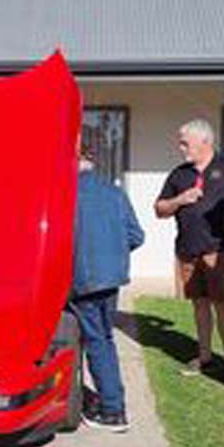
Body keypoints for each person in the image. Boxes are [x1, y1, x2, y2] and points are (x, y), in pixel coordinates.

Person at [154, 118, 224, 380]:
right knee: (199, 305)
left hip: (217, 249)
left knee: (223, 305)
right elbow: (159, 209)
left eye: (185, 143)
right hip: (187, 249)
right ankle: (205, 357)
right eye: (180, 143)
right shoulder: (179, 174)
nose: (181, 148)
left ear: (205, 142)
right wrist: (180, 199)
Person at [70, 152, 145, 432]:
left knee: (92, 342)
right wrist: (111, 253)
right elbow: (136, 236)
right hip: (111, 278)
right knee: (104, 340)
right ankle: (111, 403)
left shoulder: (68, 193)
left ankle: (112, 410)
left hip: (82, 279)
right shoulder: (114, 192)